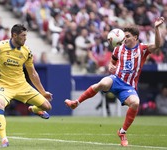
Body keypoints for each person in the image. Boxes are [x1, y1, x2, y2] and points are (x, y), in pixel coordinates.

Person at [65, 17, 164, 147]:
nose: (125, 38)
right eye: (124, 36)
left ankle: (122, 132)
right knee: (102, 83)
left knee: (135, 103)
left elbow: (158, 45)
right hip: (116, 79)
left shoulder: (142, 49)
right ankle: (75, 103)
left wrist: (156, 28)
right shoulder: (118, 49)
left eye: (128, 36)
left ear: (135, 37)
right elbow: (112, 62)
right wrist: (110, 66)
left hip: (128, 86)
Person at [0, 24, 52, 148]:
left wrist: (43, 92)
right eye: (23, 36)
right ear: (14, 35)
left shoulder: (27, 51)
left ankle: (34, 109)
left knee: (47, 106)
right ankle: (4, 139)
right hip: (3, 86)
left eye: (26, 35)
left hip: (22, 86)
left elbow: (33, 73)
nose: (25, 38)